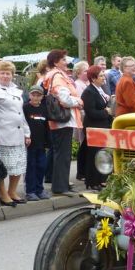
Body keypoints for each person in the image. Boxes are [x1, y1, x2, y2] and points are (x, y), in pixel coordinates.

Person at [0, 60, 30, 206]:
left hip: (18, 135)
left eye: (8, 73)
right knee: (2, 167)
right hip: (2, 135)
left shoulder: (16, 90)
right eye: (2, 73)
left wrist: (26, 133)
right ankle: (3, 194)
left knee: (18, 166)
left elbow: (20, 113)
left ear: (12, 75)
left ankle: (12, 191)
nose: (5, 76)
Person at [42, 49, 83, 196]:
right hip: (62, 121)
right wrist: (78, 102)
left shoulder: (56, 75)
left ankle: (62, 183)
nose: (67, 62)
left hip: (62, 121)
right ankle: (60, 186)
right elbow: (64, 99)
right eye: (64, 60)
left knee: (62, 154)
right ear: (55, 62)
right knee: (62, 154)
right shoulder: (57, 76)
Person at [80, 65, 113, 190]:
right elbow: (91, 112)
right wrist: (106, 112)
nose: (103, 78)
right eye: (101, 76)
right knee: (94, 154)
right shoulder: (89, 92)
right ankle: (93, 181)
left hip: (102, 126)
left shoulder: (99, 89)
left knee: (102, 154)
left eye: (103, 75)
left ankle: (102, 179)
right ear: (93, 78)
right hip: (94, 127)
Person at [23, 85, 50, 201]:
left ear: (42, 97)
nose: (35, 97)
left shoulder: (44, 109)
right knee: (31, 167)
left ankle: (40, 189)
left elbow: (47, 127)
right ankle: (30, 191)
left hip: (41, 144)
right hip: (30, 145)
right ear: (29, 95)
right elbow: (22, 124)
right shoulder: (25, 108)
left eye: (38, 95)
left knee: (41, 166)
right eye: (33, 95)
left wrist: (48, 142)